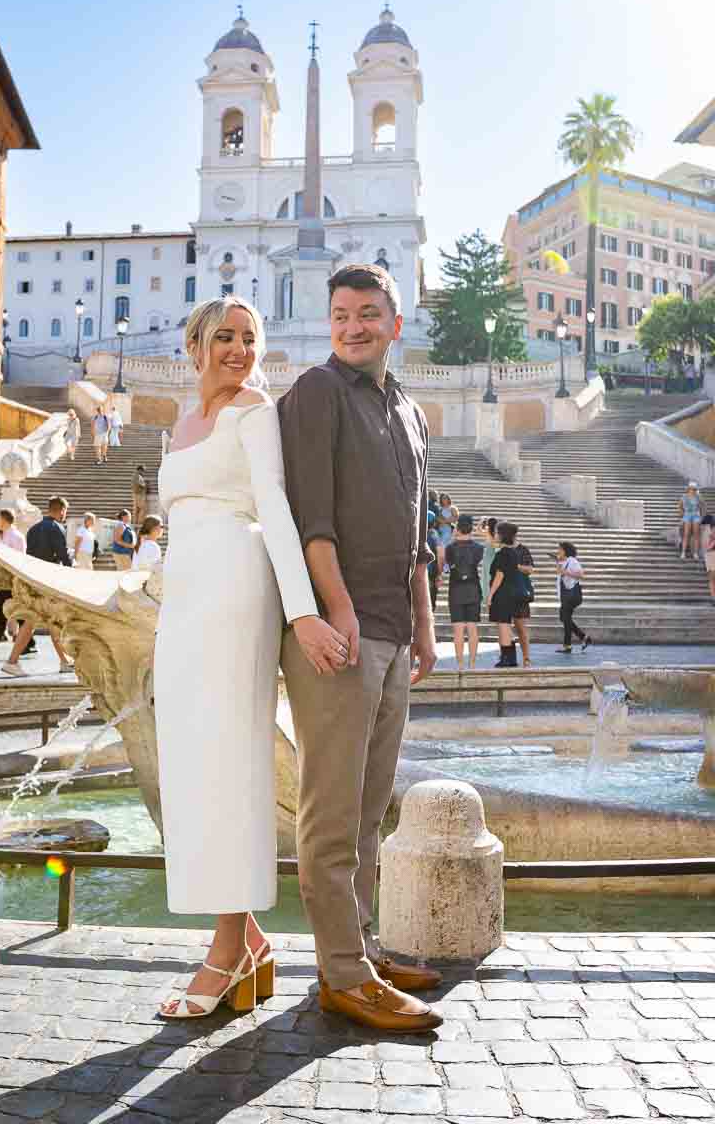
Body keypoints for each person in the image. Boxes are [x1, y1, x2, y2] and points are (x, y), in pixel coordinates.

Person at [153, 296, 349, 1022]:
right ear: (194, 344)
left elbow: (274, 504)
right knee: (192, 763)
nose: (238, 349)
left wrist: (301, 612)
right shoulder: (181, 422)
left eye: (249, 338)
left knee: (230, 761)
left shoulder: (254, 409)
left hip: (238, 588)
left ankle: (225, 949)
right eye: (224, 337)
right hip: (184, 600)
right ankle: (254, 944)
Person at [279, 263, 443, 1033]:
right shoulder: (315, 392)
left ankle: (365, 949)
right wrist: (337, 608)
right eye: (341, 314)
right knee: (332, 814)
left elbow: (417, 534)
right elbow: (312, 516)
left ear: (395, 324)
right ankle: (341, 975)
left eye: (368, 314)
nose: (353, 326)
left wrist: (425, 624)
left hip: (392, 631)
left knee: (372, 811)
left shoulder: (408, 408)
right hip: (337, 634)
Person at [2, 496, 75, 677]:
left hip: (34, 580)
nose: (65, 515)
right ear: (61, 510)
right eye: (65, 512)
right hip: (49, 582)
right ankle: (12, 661)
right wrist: (72, 571)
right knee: (42, 620)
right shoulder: (57, 528)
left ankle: (64, 661)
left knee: (48, 621)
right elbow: (63, 556)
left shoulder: (33, 529)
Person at [0, 510, 33, 658]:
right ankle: (30, 643)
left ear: (4, 519)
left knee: (3, 614)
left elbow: (19, 559)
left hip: (10, 581)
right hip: (3, 580)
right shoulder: (5, 535)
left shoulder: (16, 536)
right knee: (15, 612)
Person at [444, 513, 483, 671]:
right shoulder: (479, 548)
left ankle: (460, 665)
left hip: (455, 589)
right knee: (472, 628)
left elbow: (447, 568)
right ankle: (472, 664)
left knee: (458, 629)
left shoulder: (450, 548)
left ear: (458, 527)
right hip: (473, 588)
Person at [487, 520, 522, 668]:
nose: (494, 535)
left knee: (503, 625)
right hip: (510, 593)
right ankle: (510, 657)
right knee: (505, 624)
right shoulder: (513, 552)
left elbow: (499, 575)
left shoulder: (503, 553)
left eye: (496, 532)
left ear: (502, 535)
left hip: (502, 594)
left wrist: (490, 594)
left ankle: (506, 658)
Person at [556, 541, 591, 653]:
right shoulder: (565, 562)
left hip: (572, 596)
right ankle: (582, 638)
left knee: (565, 618)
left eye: (560, 549)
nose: (558, 551)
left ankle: (570, 644)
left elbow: (581, 574)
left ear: (565, 551)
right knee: (564, 618)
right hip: (566, 596)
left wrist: (564, 572)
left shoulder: (572, 561)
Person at [513, 533, 536, 668]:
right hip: (503, 594)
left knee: (521, 627)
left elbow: (530, 569)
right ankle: (508, 656)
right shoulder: (501, 549)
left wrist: (517, 567)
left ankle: (526, 658)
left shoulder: (523, 550)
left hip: (519, 593)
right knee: (504, 627)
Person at [679, 481, 703, 560]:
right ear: (688, 489)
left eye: (694, 489)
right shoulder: (684, 497)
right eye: (691, 489)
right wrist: (682, 515)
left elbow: (702, 506)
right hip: (687, 515)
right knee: (686, 534)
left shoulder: (698, 497)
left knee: (696, 534)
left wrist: (701, 516)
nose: (692, 490)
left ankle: (695, 553)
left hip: (696, 515)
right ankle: (683, 552)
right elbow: (680, 506)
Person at [426, 511, 444, 612]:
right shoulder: (434, 535)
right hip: (431, 573)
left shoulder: (414, 533)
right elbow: (441, 555)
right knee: (430, 602)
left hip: (415, 573)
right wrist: (439, 573)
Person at [480, 515, 498, 604]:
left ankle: (486, 597)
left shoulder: (487, 532)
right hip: (493, 555)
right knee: (491, 576)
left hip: (488, 556)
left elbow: (478, 530)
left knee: (486, 576)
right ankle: (491, 596)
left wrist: (481, 521)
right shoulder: (496, 533)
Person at [703, 514, 715, 603]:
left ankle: (714, 598)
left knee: (711, 579)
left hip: (710, 554)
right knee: (711, 578)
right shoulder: (709, 530)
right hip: (710, 554)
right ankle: (713, 598)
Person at [133, 465, 149, 530]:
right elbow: (140, 485)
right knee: (142, 508)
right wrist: (145, 485)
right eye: (143, 471)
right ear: (140, 470)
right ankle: (139, 523)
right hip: (139, 495)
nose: (143, 472)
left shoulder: (137, 476)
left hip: (137, 494)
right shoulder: (137, 476)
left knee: (137, 510)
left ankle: (136, 523)